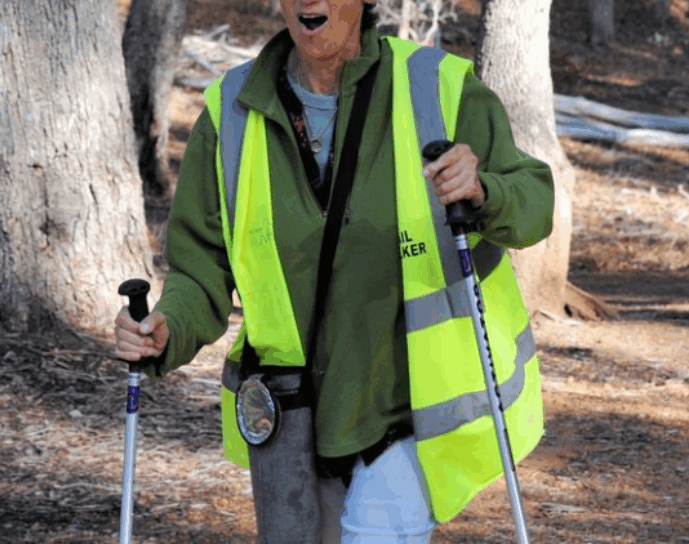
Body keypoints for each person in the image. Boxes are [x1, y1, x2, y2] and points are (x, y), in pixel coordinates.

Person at [114, 0, 554, 542]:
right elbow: (200, 267)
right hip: (292, 418)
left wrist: (484, 189)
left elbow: (534, 202)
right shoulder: (231, 112)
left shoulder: (436, 88)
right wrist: (167, 327)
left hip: (402, 413)